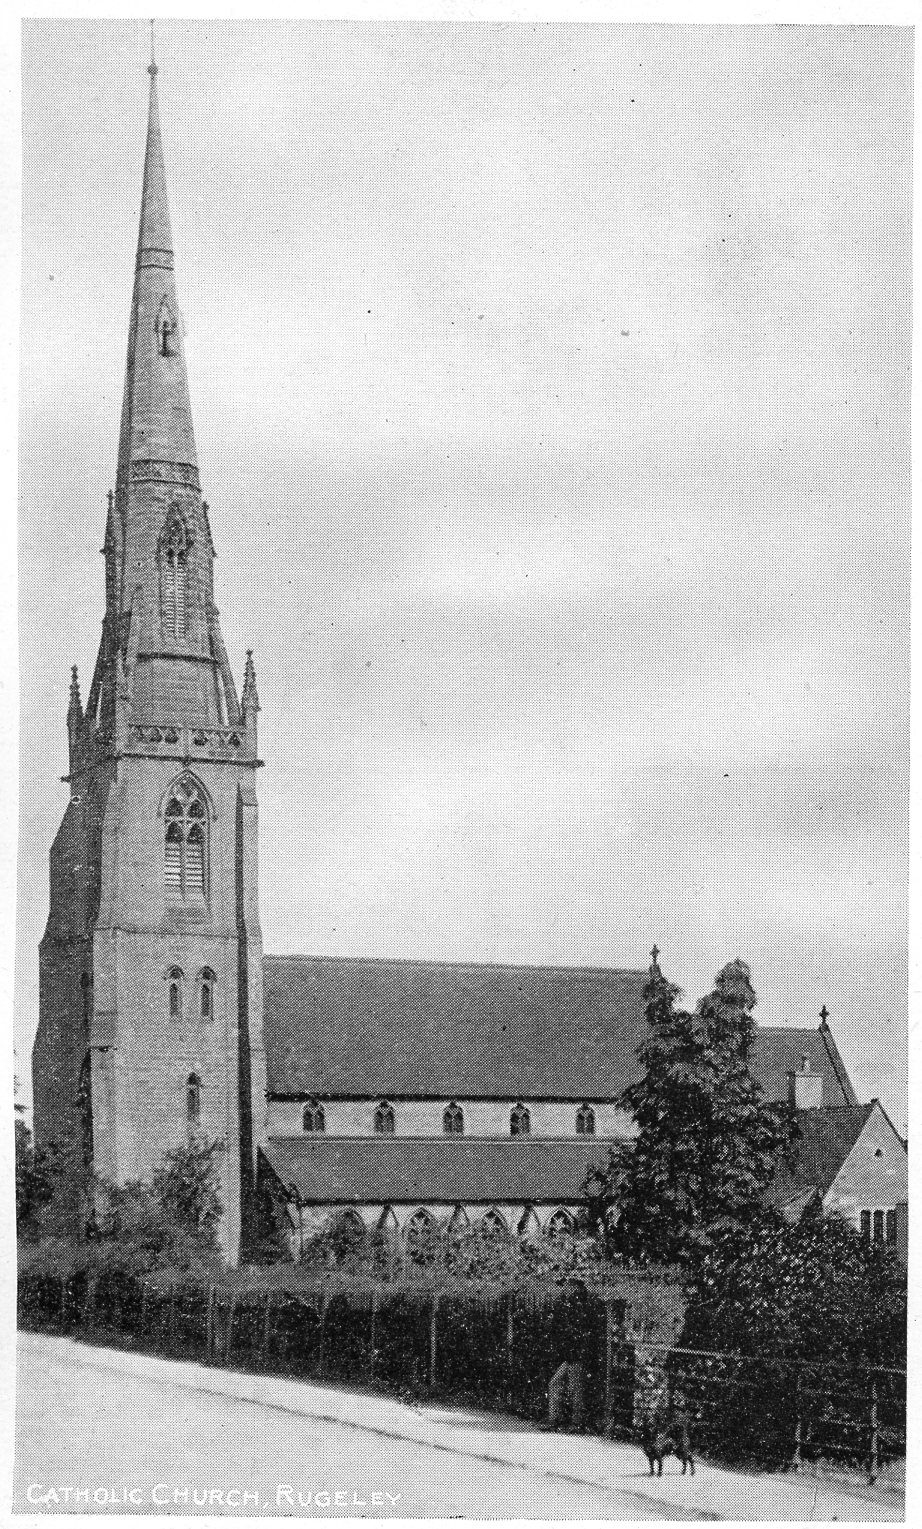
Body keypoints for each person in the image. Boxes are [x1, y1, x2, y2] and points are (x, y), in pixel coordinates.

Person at [546, 1277, 595, 1430]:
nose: (564, 1289)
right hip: (572, 1354)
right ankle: (557, 1419)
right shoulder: (574, 1303)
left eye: (567, 1286)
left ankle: (574, 1422)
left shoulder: (578, 1304)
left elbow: (579, 1331)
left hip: (576, 1355)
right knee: (561, 1385)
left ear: (574, 1287)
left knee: (575, 1389)